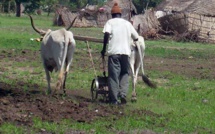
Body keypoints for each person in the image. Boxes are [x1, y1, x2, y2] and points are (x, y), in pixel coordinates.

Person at [101, 2, 139, 105]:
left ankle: (114, 100)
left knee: (113, 76)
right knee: (124, 74)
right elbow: (136, 37)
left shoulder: (110, 23)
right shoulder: (127, 24)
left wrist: (104, 49)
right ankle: (122, 95)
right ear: (120, 14)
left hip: (114, 53)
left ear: (112, 15)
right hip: (126, 53)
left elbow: (106, 34)